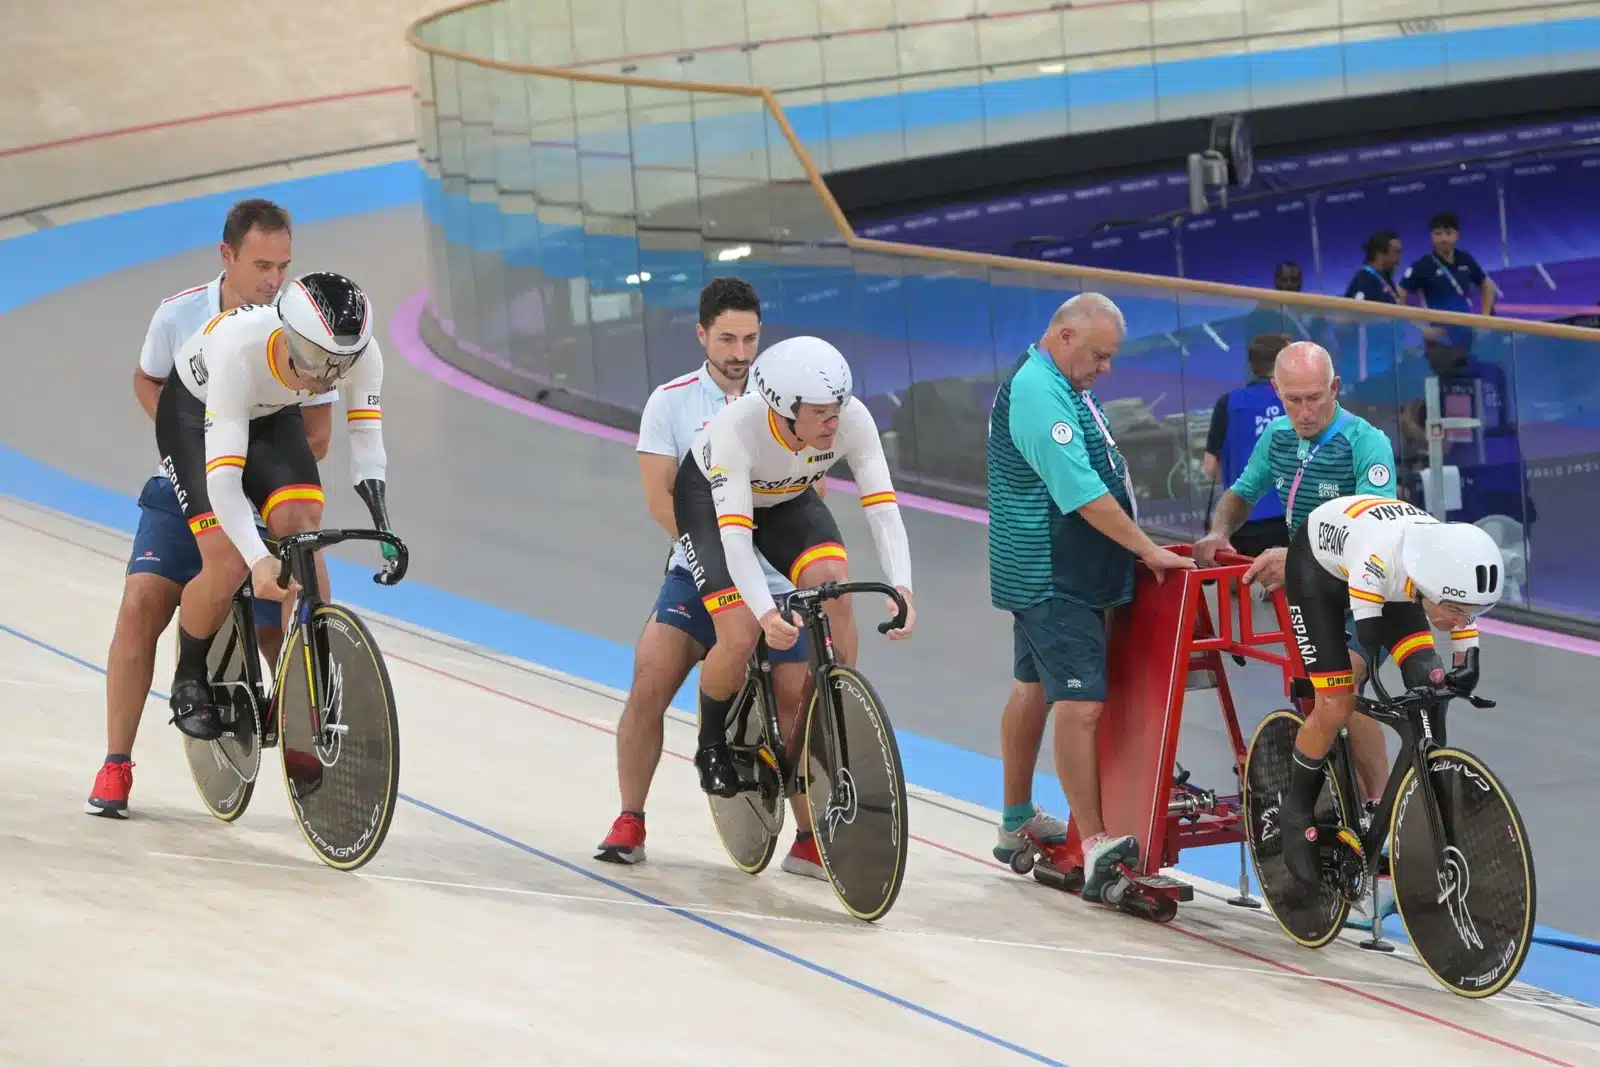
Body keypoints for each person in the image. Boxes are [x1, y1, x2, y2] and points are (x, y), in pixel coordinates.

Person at [87, 199, 337, 818]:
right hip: (190, 480)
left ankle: (307, 727)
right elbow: (148, 382)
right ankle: (116, 763)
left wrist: (252, 466)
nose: (274, 280)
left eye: (283, 265)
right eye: (261, 265)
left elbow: (321, 433)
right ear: (226, 257)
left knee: (290, 593)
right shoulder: (178, 315)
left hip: (254, 481)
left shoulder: (302, 322)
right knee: (143, 601)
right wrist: (193, 446)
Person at [595, 278, 823, 878]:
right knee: (651, 679)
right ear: (701, 334)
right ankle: (630, 818)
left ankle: (807, 836)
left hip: (774, 578)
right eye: (727, 338)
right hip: (700, 570)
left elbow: (808, 494)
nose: (741, 352)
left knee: (796, 699)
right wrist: (719, 559)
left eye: (750, 338)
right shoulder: (670, 402)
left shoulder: (789, 399)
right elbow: (659, 500)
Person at [986, 292, 1196, 903]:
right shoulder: (1037, 391)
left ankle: (1014, 818)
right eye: (1100, 355)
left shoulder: (1067, 387)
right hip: (1055, 575)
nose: (1107, 368)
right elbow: (1080, 492)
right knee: (1082, 706)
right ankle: (1099, 841)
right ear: (1066, 336)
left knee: (1032, 689)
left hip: (1059, 570)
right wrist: (1146, 550)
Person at [158, 272, 398, 742]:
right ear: (289, 334)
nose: (325, 376)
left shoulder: (363, 353)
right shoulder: (237, 349)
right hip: (196, 411)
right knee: (227, 559)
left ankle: (310, 680)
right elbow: (224, 478)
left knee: (303, 532)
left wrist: (384, 529)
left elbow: (367, 443)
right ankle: (189, 673)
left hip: (270, 411)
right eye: (315, 358)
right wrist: (257, 559)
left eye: (339, 365)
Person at [673, 335, 916, 797]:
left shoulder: (851, 420)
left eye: (838, 407)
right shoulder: (736, 432)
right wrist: (766, 613)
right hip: (712, 502)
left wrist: (902, 587)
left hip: (784, 497)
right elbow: (736, 540)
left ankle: (830, 708)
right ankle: (709, 745)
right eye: (821, 412)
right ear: (784, 409)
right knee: (741, 631)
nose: (833, 420)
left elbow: (882, 507)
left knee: (832, 585)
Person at [1194, 342, 1397, 810]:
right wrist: (1220, 531)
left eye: (1315, 398)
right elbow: (1242, 493)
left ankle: (1379, 809)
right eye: (1293, 400)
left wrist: (1298, 559)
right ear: (1276, 392)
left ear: (1336, 388)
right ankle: (1330, 805)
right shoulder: (1279, 438)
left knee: (1344, 686)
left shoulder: (1366, 443)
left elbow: (1375, 529)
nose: (1305, 412)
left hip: (1365, 590)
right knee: (1326, 697)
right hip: (1312, 595)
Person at [1276, 493, 1501, 887]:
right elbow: (1371, 638)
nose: (1458, 620)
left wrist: (1467, 664)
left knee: (1429, 680)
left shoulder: (1443, 571)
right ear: (1434, 587)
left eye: (1469, 613)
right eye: (1453, 610)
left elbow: (1462, 608)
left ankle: (1426, 798)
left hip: (1400, 582)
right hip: (1320, 573)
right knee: (1337, 700)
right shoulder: (1378, 563)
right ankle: (1295, 812)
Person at [1202, 333, 1290, 558]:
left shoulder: (1228, 403)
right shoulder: (1296, 401)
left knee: (1238, 587)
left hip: (1242, 521)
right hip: (1290, 518)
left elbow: (1210, 466)